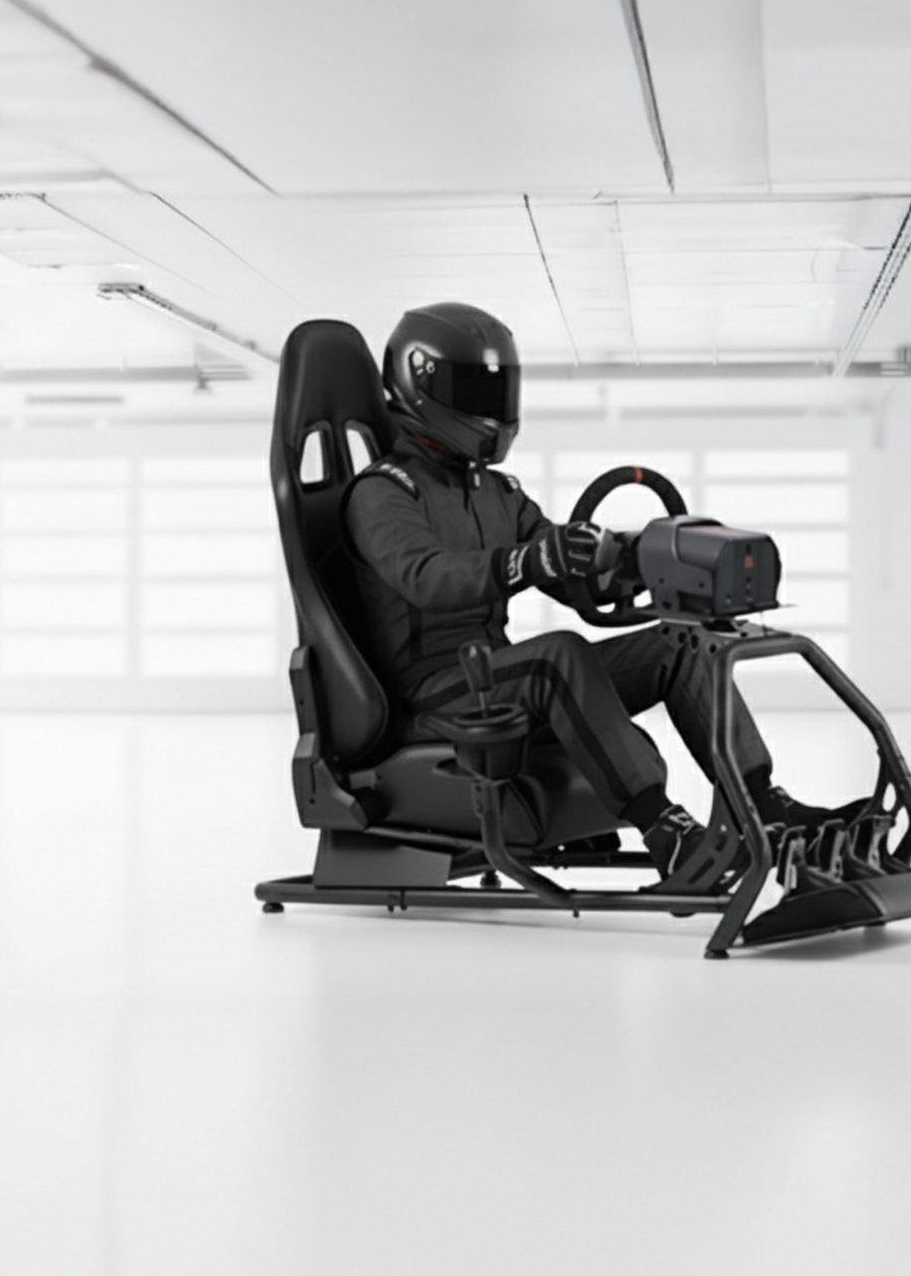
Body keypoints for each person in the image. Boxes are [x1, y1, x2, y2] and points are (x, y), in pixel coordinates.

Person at [343, 301, 837, 886]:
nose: (490, 407)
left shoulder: (497, 492)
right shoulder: (383, 493)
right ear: (419, 386)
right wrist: (527, 560)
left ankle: (762, 804)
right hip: (434, 695)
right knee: (558, 655)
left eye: (498, 390)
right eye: (472, 389)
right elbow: (427, 577)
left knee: (678, 646)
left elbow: (556, 561)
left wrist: (624, 562)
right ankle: (667, 833)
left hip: (494, 676)